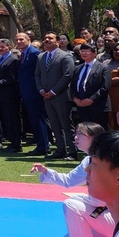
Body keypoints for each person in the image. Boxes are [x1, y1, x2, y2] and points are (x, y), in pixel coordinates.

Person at [32, 122, 113, 237]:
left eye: (80, 133)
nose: (75, 137)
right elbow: (68, 180)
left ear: (94, 137)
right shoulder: (87, 160)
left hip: (113, 216)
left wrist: (82, 199)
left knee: (71, 204)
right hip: (102, 213)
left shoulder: (106, 161)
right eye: (76, 133)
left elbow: (101, 200)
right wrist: (45, 171)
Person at [37, 32, 76, 160]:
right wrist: (41, 90)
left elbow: (67, 76)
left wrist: (53, 91)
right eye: (45, 38)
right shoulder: (41, 57)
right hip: (46, 97)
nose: (47, 40)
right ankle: (60, 150)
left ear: (58, 41)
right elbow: (37, 75)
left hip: (61, 96)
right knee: (54, 124)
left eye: (50, 38)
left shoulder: (65, 56)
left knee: (66, 124)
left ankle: (73, 151)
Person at [0, 37, 22, 152]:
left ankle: (16, 144)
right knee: (7, 120)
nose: (0, 49)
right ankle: (12, 142)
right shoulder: (1, 59)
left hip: (10, 95)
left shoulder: (12, 59)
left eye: (3, 47)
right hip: (2, 95)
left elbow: (12, 79)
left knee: (13, 120)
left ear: (9, 47)